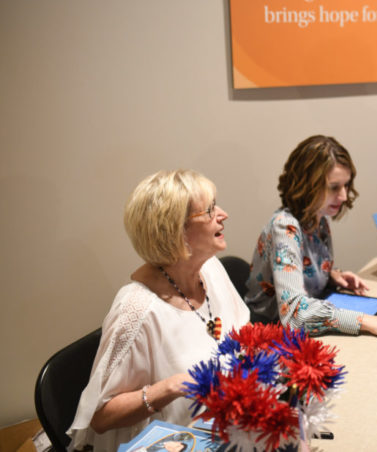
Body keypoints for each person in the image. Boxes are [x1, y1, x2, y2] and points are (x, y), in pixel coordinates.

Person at [67, 170, 251, 450]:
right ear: (176, 230)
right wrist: (171, 387)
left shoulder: (211, 269)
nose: (223, 214)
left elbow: (243, 337)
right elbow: (100, 417)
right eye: (210, 210)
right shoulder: (137, 310)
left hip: (228, 426)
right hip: (178, 442)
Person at [245, 135, 377, 342]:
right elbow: (295, 315)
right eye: (334, 187)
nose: (344, 196)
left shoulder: (318, 218)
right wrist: (365, 321)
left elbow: (295, 270)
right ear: (306, 185)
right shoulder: (285, 228)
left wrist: (330, 275)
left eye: (346, 185)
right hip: (270, 335)